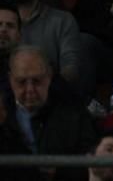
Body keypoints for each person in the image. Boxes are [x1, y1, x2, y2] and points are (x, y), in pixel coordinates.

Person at [3, 46, 97, 177]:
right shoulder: (3, 116)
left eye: (37, 81)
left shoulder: (74, 113)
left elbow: (89, 162)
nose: (30, 89)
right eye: (21, 82)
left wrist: (59, 172)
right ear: (10, 79)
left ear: (49, 76)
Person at [1, 0, 82, 87]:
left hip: (52, 98)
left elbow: (71, 69)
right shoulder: (2, 24)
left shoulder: (62, 21)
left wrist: (41, 90)